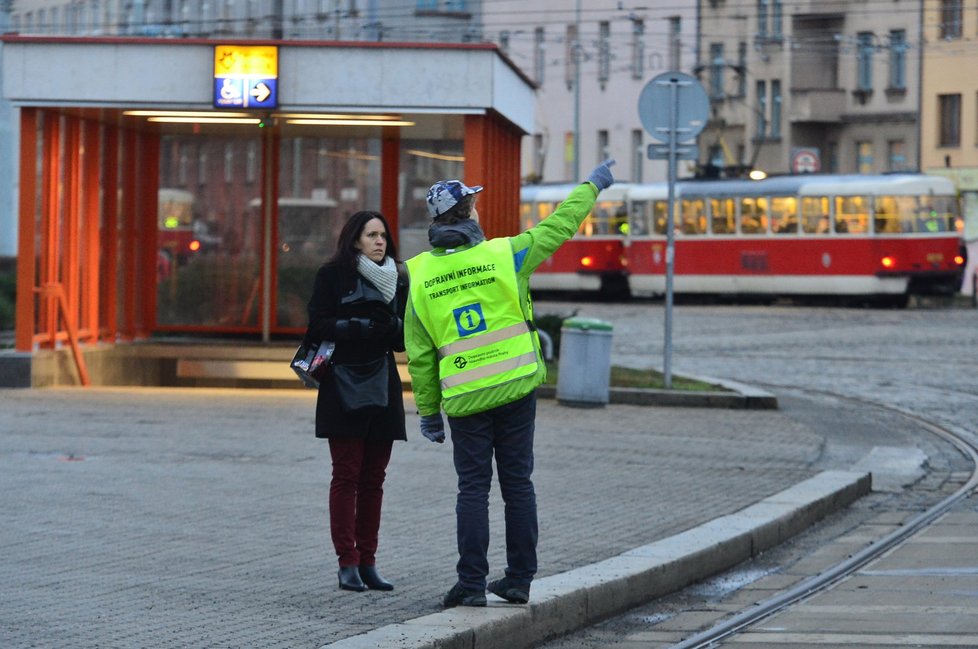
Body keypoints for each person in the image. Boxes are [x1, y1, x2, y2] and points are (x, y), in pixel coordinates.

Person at [404, 160, 616, 608]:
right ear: (467, 214)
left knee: (473, 489)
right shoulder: (507, 254)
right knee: (518, 483)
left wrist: (428, 413)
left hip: (464, 397)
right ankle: (519, 580)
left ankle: (471, 583)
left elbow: (420, 355)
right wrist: (591, 185)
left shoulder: (418, 275)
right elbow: (560, 225)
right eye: (474, 205)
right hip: (517, 385)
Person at [304, 210, 408, 593]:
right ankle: (346, 561)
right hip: (343, 382)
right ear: (354, 241)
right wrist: (359, 327)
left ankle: (368, 561)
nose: (380, 242)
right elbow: (317, 324)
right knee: (346, 474)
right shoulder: (332, 275)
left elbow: (403, 338)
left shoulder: (398, 278)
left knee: (374, 479)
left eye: (383, 236)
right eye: (371, 235)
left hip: (383, 383)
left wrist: (393, 327)